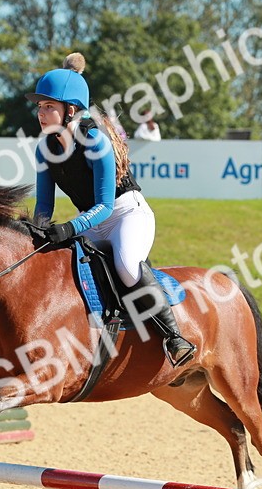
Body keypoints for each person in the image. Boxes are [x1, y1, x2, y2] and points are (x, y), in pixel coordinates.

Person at [26, 52, 195, 366]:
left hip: (125, 214)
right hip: (92, 220)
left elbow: (104, 206)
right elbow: (44, 207)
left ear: (70, 110)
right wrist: (37, 232)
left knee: (127, 265)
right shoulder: (44, 149)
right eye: (40, 106)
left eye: (49, 106)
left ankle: (174, 337)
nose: (41, 113)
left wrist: (69, 227)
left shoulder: (95, 143)